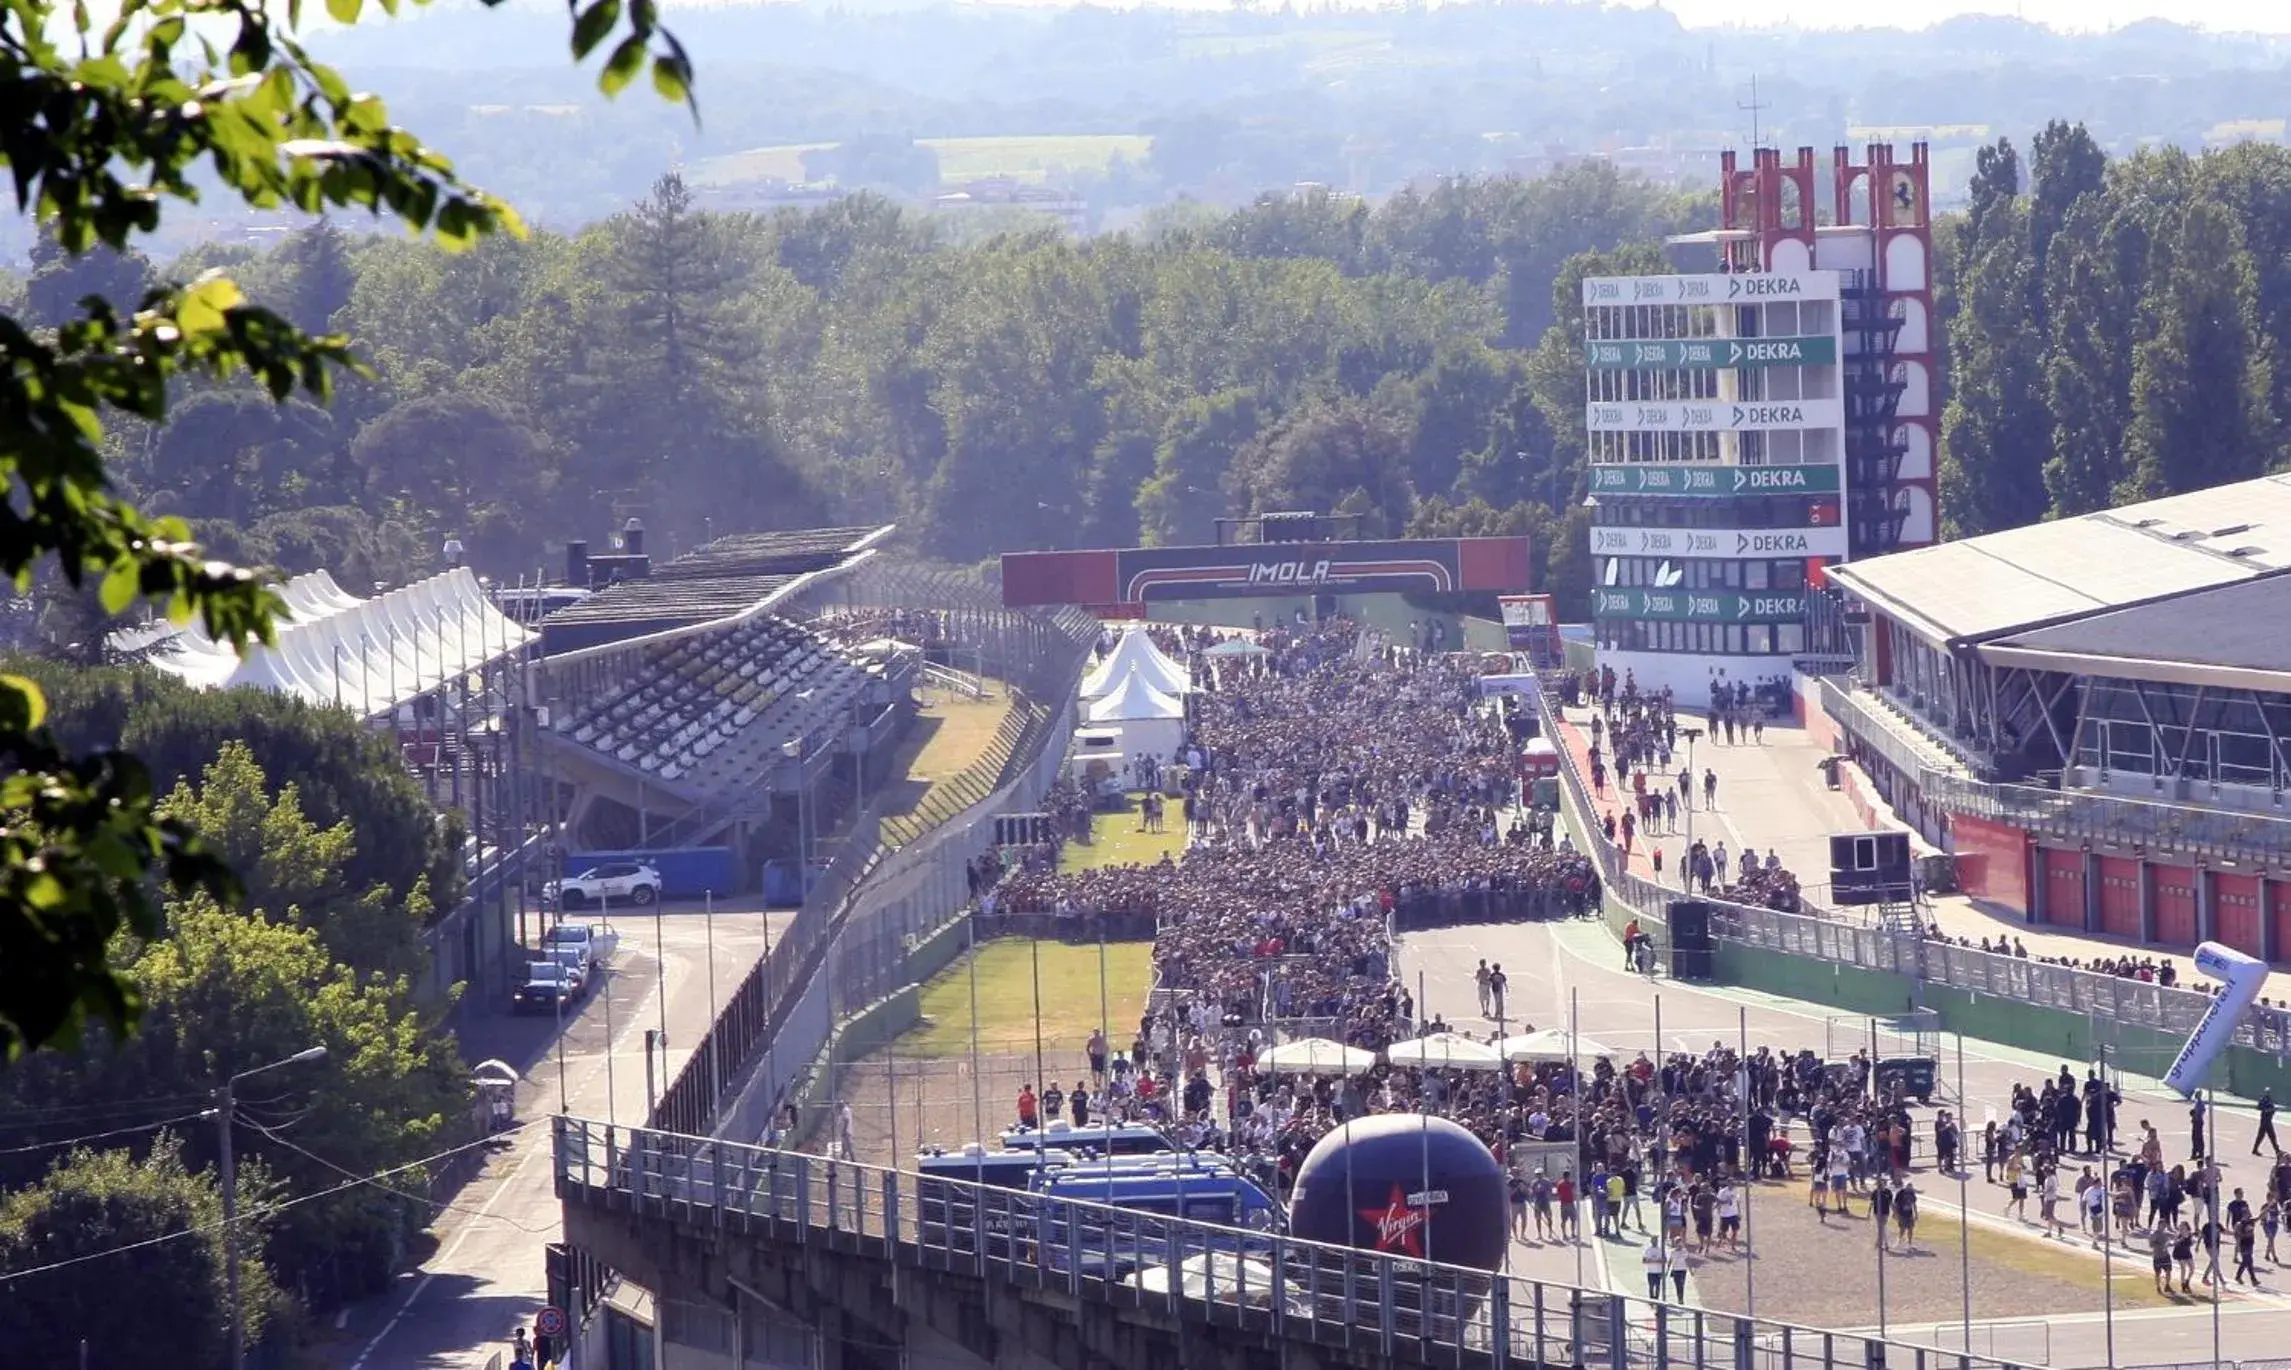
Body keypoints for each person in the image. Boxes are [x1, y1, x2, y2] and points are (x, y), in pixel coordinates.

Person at [2260, 1088, 2282, 1157]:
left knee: (2260, 1136)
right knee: (2272, 1136)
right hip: (2265, 1120)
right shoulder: (2263, 1100)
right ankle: (2277, 1150)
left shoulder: (2270, 1100)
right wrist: (2268, 1110)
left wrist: (2273, 1110)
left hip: (2268, 1120)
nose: (2268, 1093)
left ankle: (2254, 1149)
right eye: (2267, 1092)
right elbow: (2259, 1107)